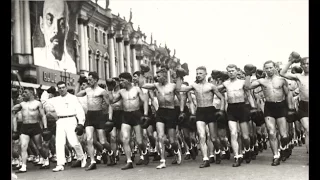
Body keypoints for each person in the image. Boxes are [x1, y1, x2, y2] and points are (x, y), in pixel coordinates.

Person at [244, 61, 293, 166]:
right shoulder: (261, 81)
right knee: (271, 133)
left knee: (284, 136)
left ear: (275, 67)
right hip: (269, 107)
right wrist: (248, 75)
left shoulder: (281, 80)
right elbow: (247, 87)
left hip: (281, 106)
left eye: (271, 67)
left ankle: (283, 148)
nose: (269, 70)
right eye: (267, 68)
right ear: (264, 69)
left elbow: (288, 94)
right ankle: (276, 156)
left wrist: (290, 109)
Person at [176, 66, 226, 168]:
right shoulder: (194, 86)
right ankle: (205, 159)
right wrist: (179, 77)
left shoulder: (211, 86)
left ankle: (217, 150)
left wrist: (221, 110)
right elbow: (179, 89)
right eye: (197, 73)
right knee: (202, 136)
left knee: (213, 138)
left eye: (200, 73)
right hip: (200, 112)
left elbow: (222, 98)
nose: (198, 75)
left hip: (210, 111)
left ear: (205, 74)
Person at [108, 72, 150, 170]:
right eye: (120, 80)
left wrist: (145, 114)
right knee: (125, 138)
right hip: (126, 116)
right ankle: (129, 161)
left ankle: (145, 151)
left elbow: (145, 101)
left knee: (139, 141)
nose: (121, 82)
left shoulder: (137, 89)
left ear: (128, 80)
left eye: (122, 80)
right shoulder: (121, 92)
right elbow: (111, 101)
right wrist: (110, 90)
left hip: (136, 114)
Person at [76, 72, 114, 170]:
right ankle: (92, 162)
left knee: (102, 141)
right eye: (88, 80)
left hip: (99, 115)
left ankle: (111, 152)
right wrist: (78, 82)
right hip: (89, 115)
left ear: (96, 80)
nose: (89, 82)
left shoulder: (102, 91)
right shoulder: (87, 90)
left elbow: (109, 104)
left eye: (90, 80)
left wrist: (109, 118)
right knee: (89, 139)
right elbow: (77, 94)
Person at [47, 81, 87, 172]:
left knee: (73, 142)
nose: (61, 89)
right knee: (59, 143)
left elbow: (80, 111)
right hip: (60, 121)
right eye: (59, 88)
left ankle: (81, 157)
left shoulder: (73, 98)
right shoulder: (55, 99)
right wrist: (48, 92)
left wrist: (81, 123)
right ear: (58, 89)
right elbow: (44, 102)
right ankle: (60, 164)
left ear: (66, 87)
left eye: (63, 87)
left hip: (71, 119)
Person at [12, 87, 50, 173]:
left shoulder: (38, 103)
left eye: (25, 92)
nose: (24, 94)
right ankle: (24, 166)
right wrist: (19, 101)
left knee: (39, 147)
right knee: (23, 146)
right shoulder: (22, 104)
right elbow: (12, 109)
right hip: (25, 127)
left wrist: (45, 127)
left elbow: (43, 115)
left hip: (35, 126)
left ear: (31, 93)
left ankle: (46, 159)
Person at [33, 0, 76, 73]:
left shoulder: (71, 66)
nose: (56, 30)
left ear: (67, 28)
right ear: (42, 24)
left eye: (62, 23)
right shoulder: (36, 56)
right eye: (50, 20)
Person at [280, 54, 309, 162]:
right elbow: (282, 73)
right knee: (307, 129)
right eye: (304, 64)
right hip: (304, 106)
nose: (306, 66)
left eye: (308, 64)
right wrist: (290, 62)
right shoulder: (298, 76)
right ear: (301, 65)